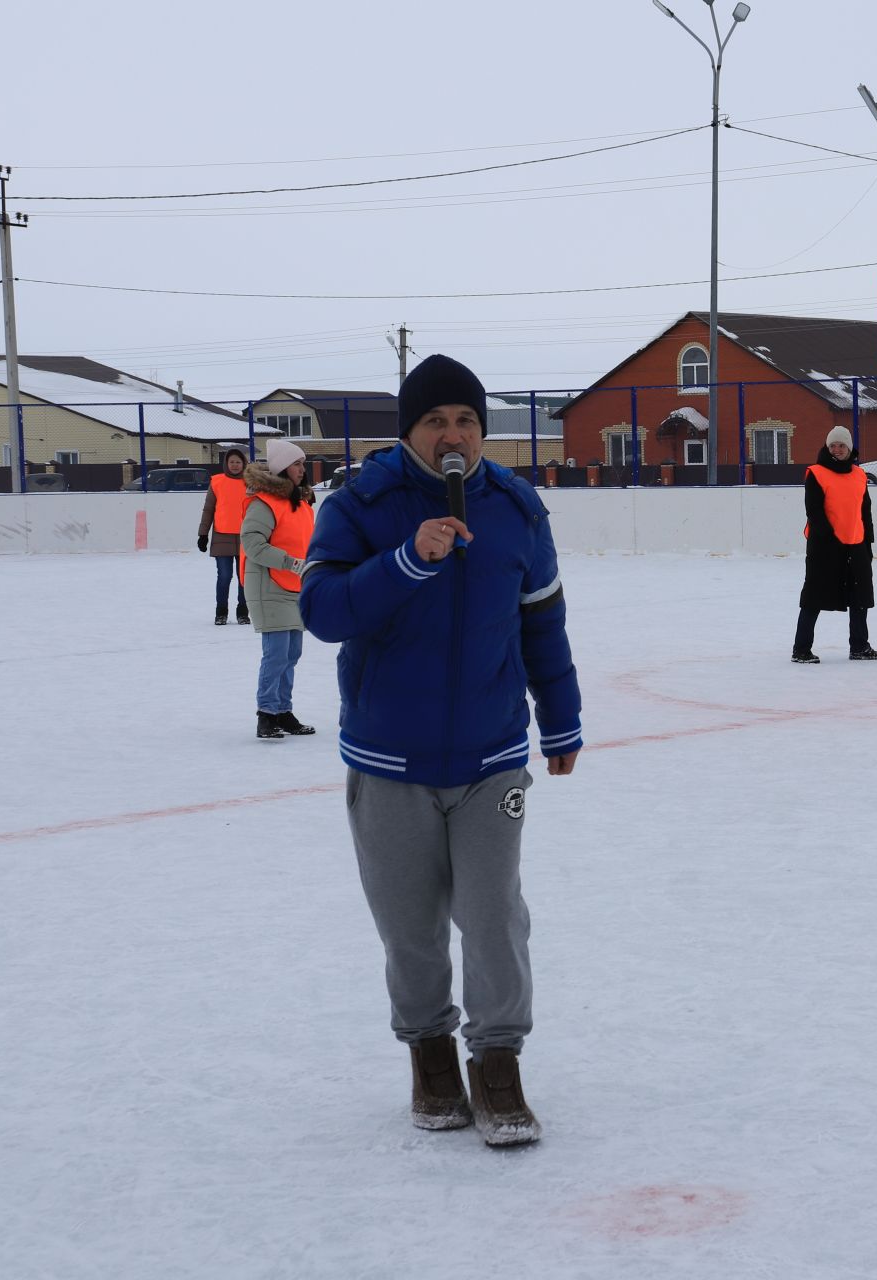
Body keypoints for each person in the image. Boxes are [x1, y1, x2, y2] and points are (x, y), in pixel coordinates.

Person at [300, 354, 582, 1148]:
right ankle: (429, 1054)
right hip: (390, 761)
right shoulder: (362, 504)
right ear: (410, 432)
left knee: (494, 917)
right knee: (410, 926)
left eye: (465, 421)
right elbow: (321, 610)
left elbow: (542, 623)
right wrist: (406, 562)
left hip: (493, 756)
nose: (452, 435)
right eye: (435, 421)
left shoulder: (517, 510)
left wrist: (559, 716)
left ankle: (498, 1062)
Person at [240, 439, 317, 737]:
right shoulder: (263, 502)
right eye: (297, 463)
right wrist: (290, 562)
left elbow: (309, 542)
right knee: (277, 653)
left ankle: (283, 711)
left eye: (302, 463)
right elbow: (253, 544)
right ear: (283, 468)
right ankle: (267, 713)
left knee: (292, 652)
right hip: (268, 584)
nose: (302, 469)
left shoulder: (301, 503)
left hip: (295, 585)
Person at [794, 425, 877, 663]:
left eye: (841, 445)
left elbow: (865, 511)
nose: (837, 450)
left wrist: (868, 543)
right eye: (832, 445)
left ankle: (859, 647)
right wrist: (828, 539)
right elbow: (814, 510)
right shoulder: (816, 473)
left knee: (860, 597)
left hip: (856, 543)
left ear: (850, 447)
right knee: (814, 597)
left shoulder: (859, 475)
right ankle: (801, 649)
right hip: (825, 546)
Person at [197, 447, 250, 625]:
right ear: (226, 464)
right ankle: (221, 612)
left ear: (244, 464)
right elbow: (208, 509)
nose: (235, 465)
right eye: (231, 462)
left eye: (238, 462)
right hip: (222, 536)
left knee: (244, 577)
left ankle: (243, 612)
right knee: (225, 576)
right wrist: (203, 534)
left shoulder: (252, 483)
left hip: (246, 537)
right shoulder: (217, 482)